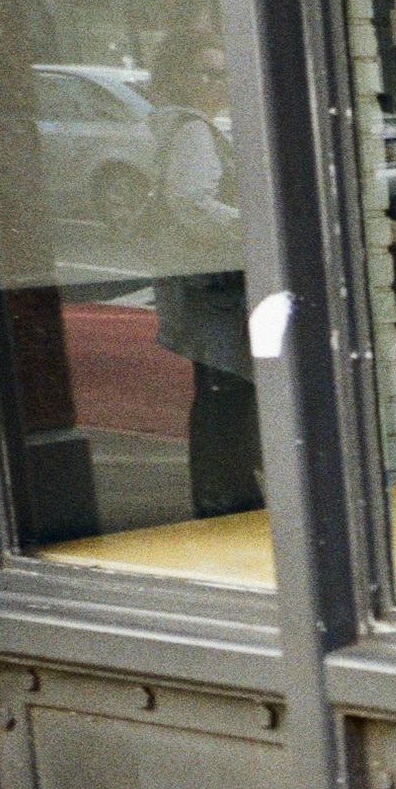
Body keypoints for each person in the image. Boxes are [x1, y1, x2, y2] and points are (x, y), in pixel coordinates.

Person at [144, 32, 261, 519]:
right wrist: (254, 228)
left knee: (220, 389)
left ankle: (223, 494)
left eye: (222, 72)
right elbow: (192, 202)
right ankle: (222, 499)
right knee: (226, 389)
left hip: (198, 284)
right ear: (176, 77)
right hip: (209, 286)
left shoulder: (180, 125)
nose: (216, 82)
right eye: (204, 72)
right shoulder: (191, 129)